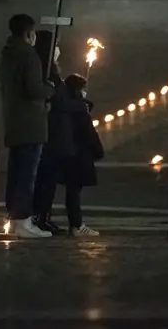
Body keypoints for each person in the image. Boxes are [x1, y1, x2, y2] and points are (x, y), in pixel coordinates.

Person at [0, 13, 55, 239]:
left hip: (13, 119)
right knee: (27, 174)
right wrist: (49, 88)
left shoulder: (7, 55)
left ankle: (14, 218)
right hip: (31, 121)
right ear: (29, 33)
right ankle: (22, 220)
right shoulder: (29, 55)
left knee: (16, 172)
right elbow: (34, 90)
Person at [57, 74, 104, 237]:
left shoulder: (64, 107)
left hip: (67, 152)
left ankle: (74, 224)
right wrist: (98, 151)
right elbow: (89, 133)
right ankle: (76, 225)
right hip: (79, 155)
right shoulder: (79, 110)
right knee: (74, 192)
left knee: (71, 191)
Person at [30, 29, 66, 234]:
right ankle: (39, 216)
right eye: (56, 46)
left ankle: (45, 215)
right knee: (44, 178)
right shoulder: (44, 71)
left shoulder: (51, 70)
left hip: (55, 132)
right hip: (48, 132)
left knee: (49, 179)